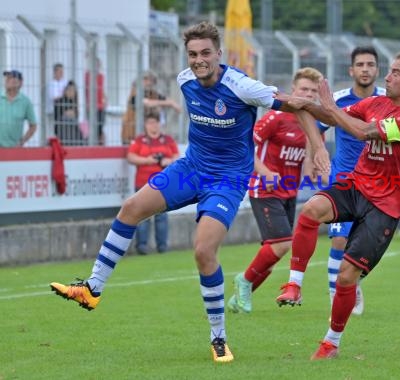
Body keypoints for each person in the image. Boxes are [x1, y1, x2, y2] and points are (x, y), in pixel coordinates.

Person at [49, 21, 329, 364]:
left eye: (206, 53)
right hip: (191, 168)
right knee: (131, 208)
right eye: (193, 54)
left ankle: (219, 338)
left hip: (227, 179)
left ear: (219, 54)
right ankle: (91, 289)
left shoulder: (242, 86)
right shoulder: (184, 80)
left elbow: (298, 105)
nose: (199, 60)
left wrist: (319, 147)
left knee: (202, 250)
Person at [274, 48, 400, 359]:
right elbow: (329, 115)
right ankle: (294, 284)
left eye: (396, 72)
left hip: (386, 205)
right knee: (310, 212)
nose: (388, 75)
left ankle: (331, 342)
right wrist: (289, 101)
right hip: (357, 184)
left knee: (346, 276)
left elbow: (361, 132)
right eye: (390, 69)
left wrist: (330, 107)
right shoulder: (376, 102)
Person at [228, 67, 323, 314]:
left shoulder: (311, 120)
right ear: (293, 90)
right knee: (281, 244)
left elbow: (311, 147)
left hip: (289, 192)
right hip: (265, 189)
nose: (308, 94)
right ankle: (244, 282)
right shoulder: (275, 116)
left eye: (313, 91)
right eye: (304, 89)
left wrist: (312, 164)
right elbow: (246, 147)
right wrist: (266, 172)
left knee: (273, 252)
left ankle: (237, 299)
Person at [319, 46, 386, 316]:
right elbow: (315, 125)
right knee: (338, 241)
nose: (365, 69)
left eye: (370, 64)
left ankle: (353, 281)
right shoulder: (338, 100)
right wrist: (317, 151)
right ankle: (337, 296)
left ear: (377, 70)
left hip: (378, 184)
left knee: (367, 245)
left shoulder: (387, 101)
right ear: (352, 70)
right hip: (344, 181)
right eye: (360, 64)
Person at [126, 112, 179, 255]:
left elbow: (177, 156)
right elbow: (130, 157)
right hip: (143, 183)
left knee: (162, 216)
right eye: (150, 122)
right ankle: (142, 247)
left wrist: (168, 161)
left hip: (163, 184)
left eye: (155, 122)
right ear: (145, 124)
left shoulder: (167, 140)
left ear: (159, 124)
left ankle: (162, 246)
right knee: (142, 216)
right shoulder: (140, 140)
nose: (153, 125)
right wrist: (148, 160)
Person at [121, 70, 182, 145]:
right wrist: (169, 103)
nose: (149, 83)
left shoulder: (152, 93)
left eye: (151, 80)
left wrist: (172, 103)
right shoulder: (135, 93)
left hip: (147, 133)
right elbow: (147, 103)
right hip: (132, 130)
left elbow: (169, 102)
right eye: (146, 80)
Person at [0, 70, 37, 147]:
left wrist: (22, 141)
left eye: (11, 78)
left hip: (14, 149)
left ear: (20, 82)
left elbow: (33, 126)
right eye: (7, 78)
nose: (7, 80)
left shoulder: (25, 102)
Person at [85, 58, 107, 145]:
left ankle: (100, 144)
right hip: (91, 106)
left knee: (100, 126)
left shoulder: (101, 76)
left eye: (98, 65)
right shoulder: (87, 75)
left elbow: (102, 90)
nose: (96, 67)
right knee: (92, 126)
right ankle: (92, 143)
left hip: (100, 106)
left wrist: (105, 99)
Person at [54, 80, 83, 145]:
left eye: (73, 91)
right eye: (69, 90)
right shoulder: (60, 101)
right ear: (65, 90)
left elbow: (76, 118)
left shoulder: (74, 103)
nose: (71, 92)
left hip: (72, 130)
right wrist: (66, 114)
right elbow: (57, 119)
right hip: (62, 129)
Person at [48, 63, 67, 132]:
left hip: (63, 110)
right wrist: (63, 96)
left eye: (62, 71)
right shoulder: (51, 83)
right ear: (55, 72)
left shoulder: (65, 82)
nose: (62, 73)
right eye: (60, 71)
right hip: (54, 110)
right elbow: (53, 97)